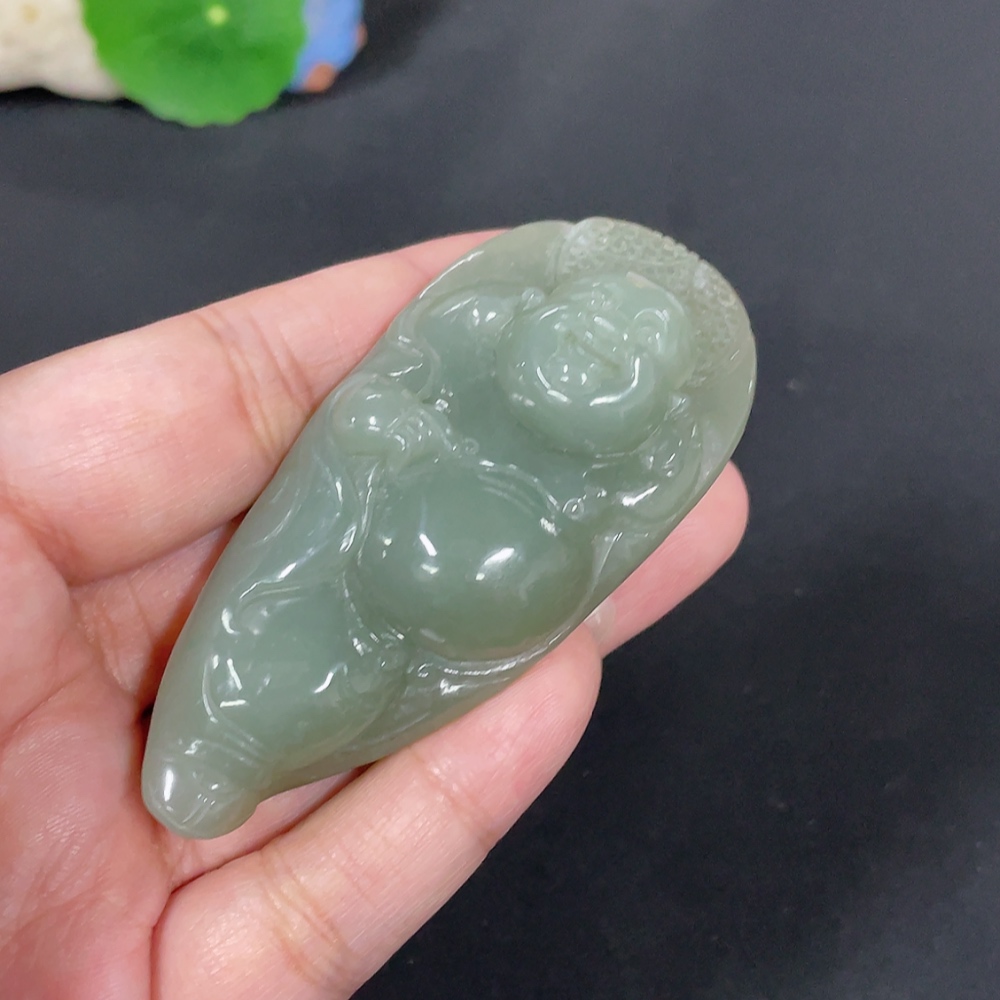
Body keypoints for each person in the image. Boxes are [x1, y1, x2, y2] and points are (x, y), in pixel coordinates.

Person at [0, 232, 748, 999]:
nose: (606, 339)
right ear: (519, 316)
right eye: (591, 310)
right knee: (296, 644)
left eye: (644, 346)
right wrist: (380, 434)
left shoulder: (603, 489)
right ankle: (222, 746)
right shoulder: (454, 368)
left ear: (660, 426)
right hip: (354, 573)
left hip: (448, 613)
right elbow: (363, 421)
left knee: (350, 674)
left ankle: (235, 751)